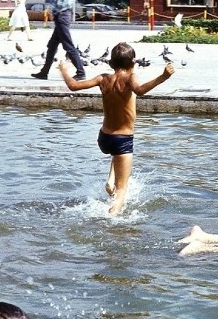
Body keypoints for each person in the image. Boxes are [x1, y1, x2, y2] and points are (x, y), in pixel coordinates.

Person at [58, 42, 175, 214]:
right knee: (122, 191)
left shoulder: (102, 79)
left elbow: (73, 86)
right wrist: (163, 76)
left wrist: (63, 70)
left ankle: (110, 180)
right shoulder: (130, 78)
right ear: (133, 63)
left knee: (116, 160)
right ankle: (110, 222)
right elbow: (140, 90)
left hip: (104, 138)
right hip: (122, 140)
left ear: (111, 63)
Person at [31, 0, 85, 81]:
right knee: (52, 45)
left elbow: (60, 1)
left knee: (68, 45)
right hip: (67, 14)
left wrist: (53, 12)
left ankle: (81, 72)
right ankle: (44, 72)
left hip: (61, 16)